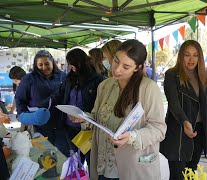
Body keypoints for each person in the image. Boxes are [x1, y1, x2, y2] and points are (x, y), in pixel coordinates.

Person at [70, 39, 166, 180]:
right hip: (103, 165)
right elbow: (97, 117)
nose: (117, 69)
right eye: (116, 61)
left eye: (126, 66)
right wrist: (84, 118)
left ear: (137, 68)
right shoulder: (105, 86)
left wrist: (133, 137)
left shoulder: (148, 88)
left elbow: (159, 129)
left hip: (133, 166)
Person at [160, 40, 207, 180]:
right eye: (187, 55)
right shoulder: (172, 75)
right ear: (181, 56)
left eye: (195, 55)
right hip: (178, 132)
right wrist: (185, 121)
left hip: (198, 131)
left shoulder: (203, 76)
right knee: (178, 176)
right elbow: (174, 104)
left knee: (191, 174)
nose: (191, 59)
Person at [15, 50, 68, 156]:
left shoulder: (63, 77)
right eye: (40, 64)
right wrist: (25, 116)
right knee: (44, 157)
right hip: (40, 127)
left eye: (47, 63)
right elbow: (20, 100)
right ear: (36, 65)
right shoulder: (29, 79)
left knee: (63, 157)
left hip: (62, 125)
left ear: (52, 62)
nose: (44, 67)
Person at [59, 48, 104, 168]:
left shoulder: (96, 79)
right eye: (69, 63)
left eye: (73, 62)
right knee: (75, 161)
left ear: (82, 61)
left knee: (91, 160)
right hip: (70, 127)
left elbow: (100, 104)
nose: (71, 66)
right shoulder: (69, 78)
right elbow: (62, 95)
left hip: (87, 128)